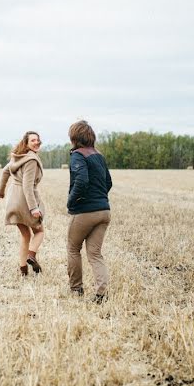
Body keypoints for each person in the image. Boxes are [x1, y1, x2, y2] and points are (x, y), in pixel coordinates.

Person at [66, 120, 112, 303]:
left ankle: (76, 289)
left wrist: (71, 202)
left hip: (85, 212)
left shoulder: (78, 155)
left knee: (73, 248)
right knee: (95, 254)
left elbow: (82, 181)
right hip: (104, 212)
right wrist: (99, 199)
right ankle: (102, 293)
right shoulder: (99, 156)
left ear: (75, 137)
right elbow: (109, 183)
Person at [0, 131, 45, 276]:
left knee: (25, 236)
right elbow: (27, 186)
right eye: (33, 140)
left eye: (38, 140)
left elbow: (5, 171)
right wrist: (33, 208)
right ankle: (31, 256)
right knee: (40, 231)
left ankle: (23, 270)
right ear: (26, 143)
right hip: (25, 201)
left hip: (13, 200)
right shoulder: (31, 160)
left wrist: (0, 191)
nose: (36, 142)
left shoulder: (17, 158)